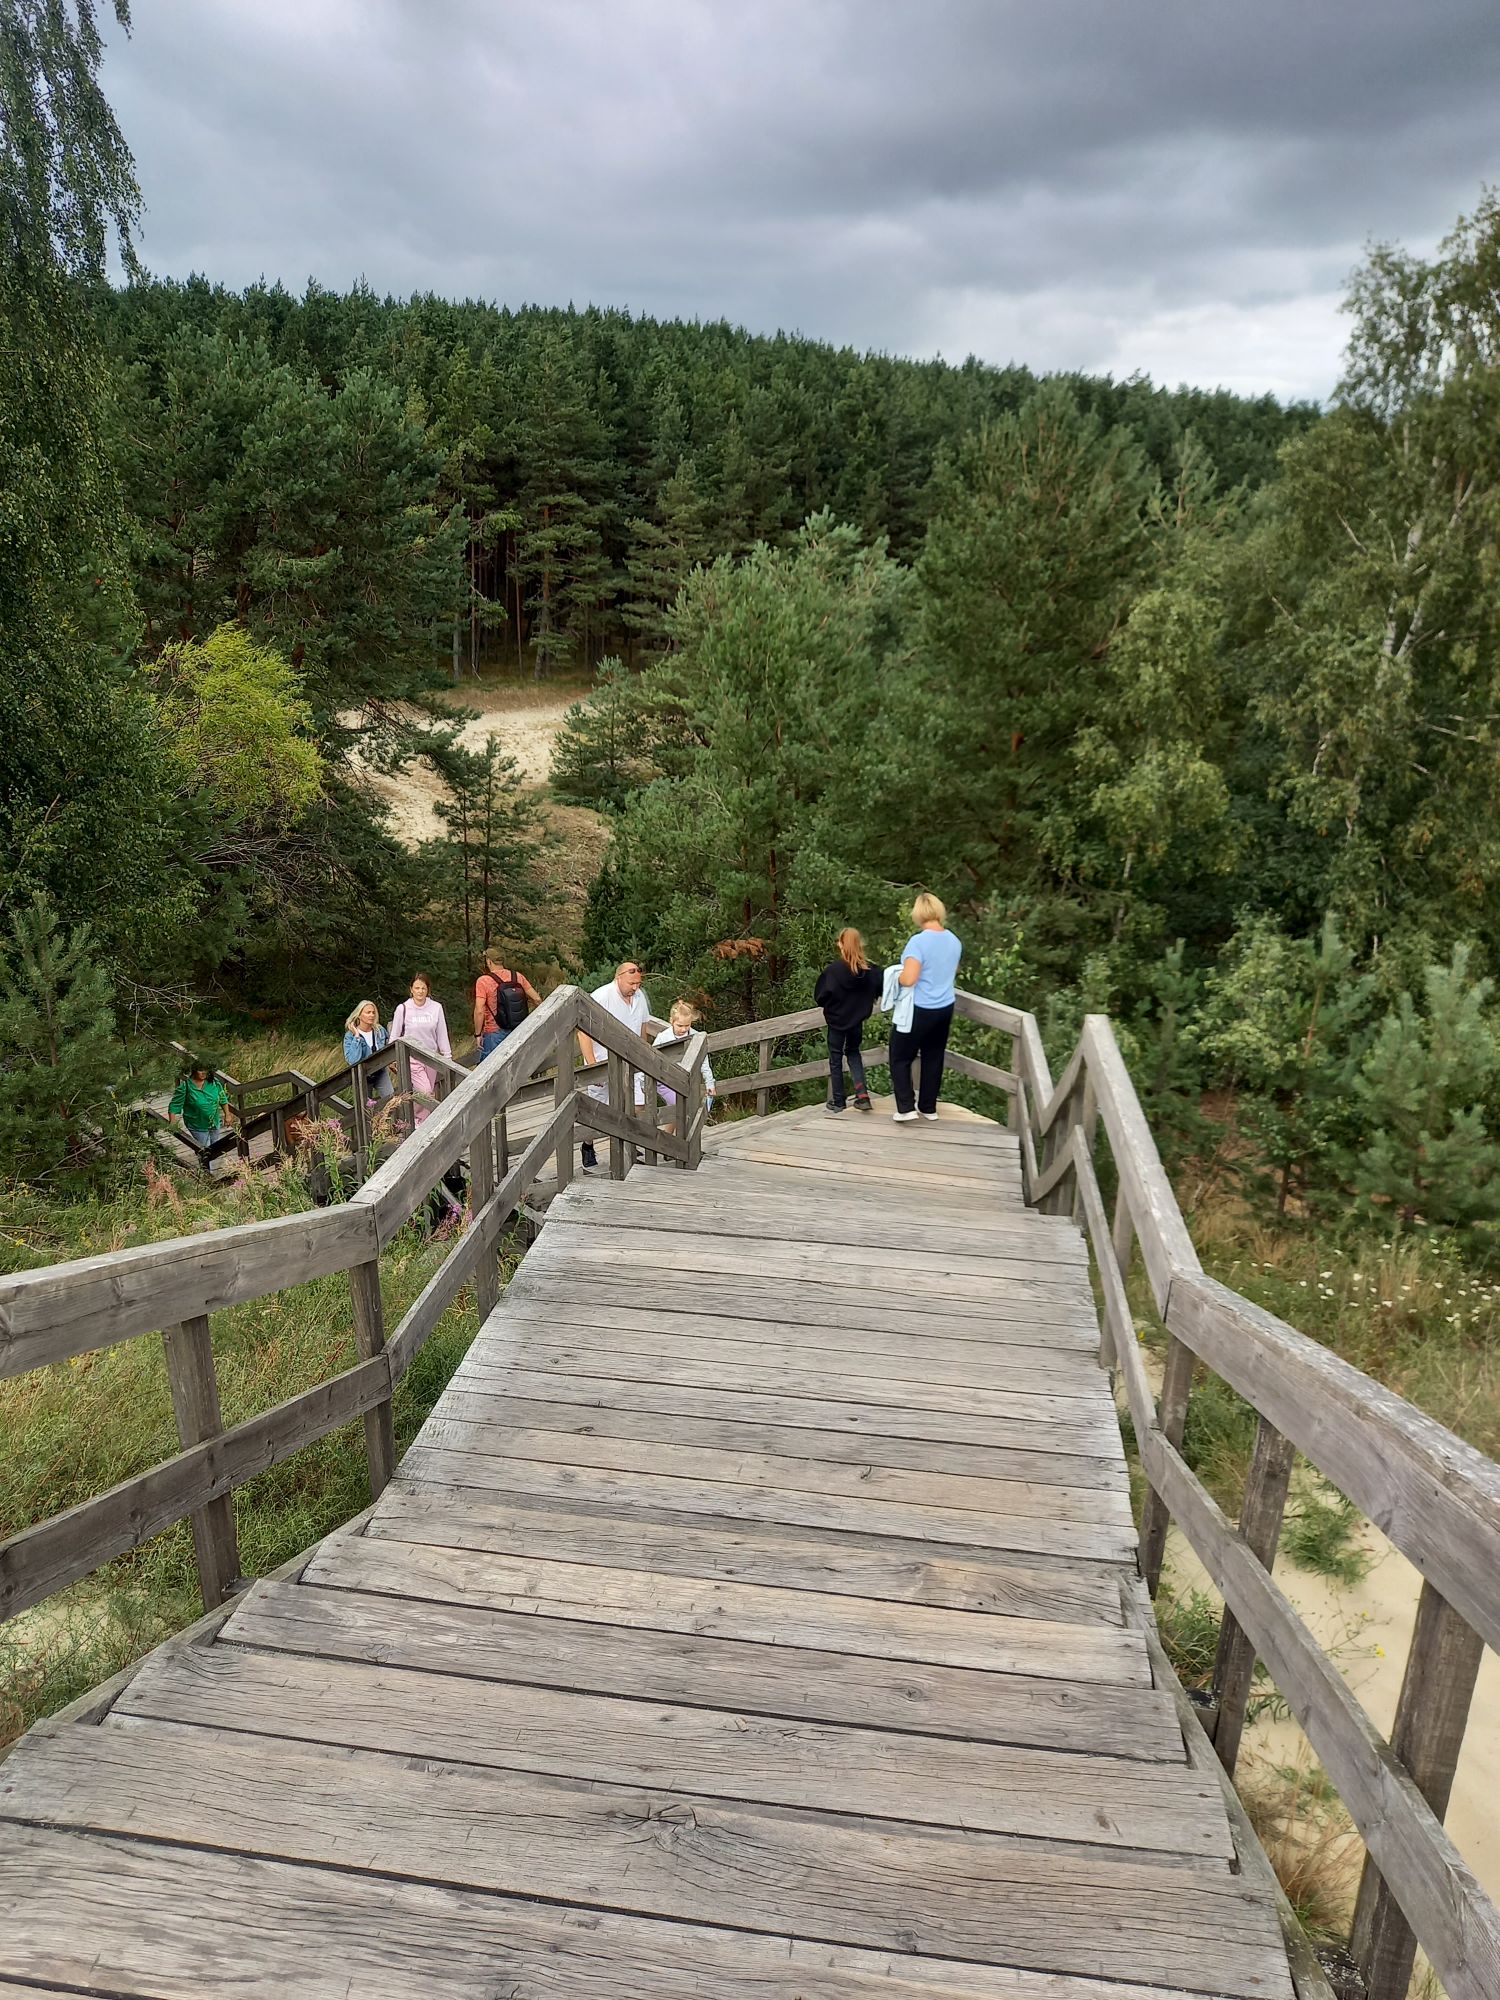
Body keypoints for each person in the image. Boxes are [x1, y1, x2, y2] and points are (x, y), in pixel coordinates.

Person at [889, 892, 963, 1123]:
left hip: (919, 1008)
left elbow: (910, 978)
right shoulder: (954, 940)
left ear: (918, 914)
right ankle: (928, 1107)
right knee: (933, 1056)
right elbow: (951, 970)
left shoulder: (918, 942)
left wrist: (896, 976)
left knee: (900, 1056)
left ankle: (906, 1107)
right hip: (945, 1007)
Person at [575, 960, 653, 1170]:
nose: (635, 987)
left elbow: (643, 1027)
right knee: (598, 1110)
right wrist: (592, 1065)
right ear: (619, 977)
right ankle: (588, 1145)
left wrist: (644, 1054)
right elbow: (582, 1031)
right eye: (631, 983)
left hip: (631, 1060)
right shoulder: (602, 996)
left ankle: (627, 1142)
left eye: (638, 983)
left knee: (637, 1104)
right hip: (602, 1060)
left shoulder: (640, 997)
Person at [815, 927, 883, 1114]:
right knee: (853, 1053)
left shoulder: (833, 972)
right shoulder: (870, 971)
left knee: (835, 1058)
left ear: (841, 945)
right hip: (856, 1021)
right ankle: (862, 1095)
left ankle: (838, 1102)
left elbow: (820, 997)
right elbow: (880, 988)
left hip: (836, 1021)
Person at [390, 973, 451, 1126]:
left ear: (428, 990)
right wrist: (392, 1058)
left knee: (429, 1092)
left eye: (423, 988)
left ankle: (423, 1123)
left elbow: (441, 1033)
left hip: (431, 1057)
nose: (420, 991)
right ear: (411, 989)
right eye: (417, 988)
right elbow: (395, 1035)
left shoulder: (436, 1007)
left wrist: (447, 1056)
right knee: (425, 1091)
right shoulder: (403, 1009)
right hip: (411, 1057)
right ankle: (418, 1122)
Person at [474, 948, 540, 1061]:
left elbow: (479, 1010)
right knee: (517, 1066)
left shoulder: (483, 981)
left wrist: (478, 1034)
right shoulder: (517, 976)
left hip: (494, 1033)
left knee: (489, 1068)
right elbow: (537, 999)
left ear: (489, 961)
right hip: (518, 1030)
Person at [652, 999, 717, 1111]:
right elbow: (651, 1057)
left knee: (685, 1108)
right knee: (680, 1105)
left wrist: (709, 1083)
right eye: (680, 1025)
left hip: (686, 1080)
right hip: (665, 1080)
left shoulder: (696, 1036)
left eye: (687, 1025)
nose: (684, 1029)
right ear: (672, 1021)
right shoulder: (663, 1037)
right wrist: (643, 1081)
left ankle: (672, 1124)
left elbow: (704, 1062)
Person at [168, 1060, 234, 1163]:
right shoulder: (186, 1086)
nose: (204, 1073)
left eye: (206, 1070)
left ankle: (212, 1167)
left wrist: (227, 1115)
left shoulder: (214, 1082)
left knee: (215, 1147)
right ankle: (206, 1170)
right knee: (204, 1150)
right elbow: (174, 1105)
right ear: (195, 1071)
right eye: (200, 1070)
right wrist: (172, 1123)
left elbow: (222, 1098)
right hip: (197, 1124)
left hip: (214, 1121)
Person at [343, 1000, 394, 1104]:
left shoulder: (380, 1031)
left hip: (380, 1071)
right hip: (362, 1075)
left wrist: (392, 1062)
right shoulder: (350, 1036)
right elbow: (353, 1060)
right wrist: (357, 1037)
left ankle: (389, 1115)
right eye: (368, 1012)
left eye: (373, 1012)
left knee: (392, 1100)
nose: (371, 1015)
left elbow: (389, 1047)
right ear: (359, 1015)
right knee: (365, 1106)